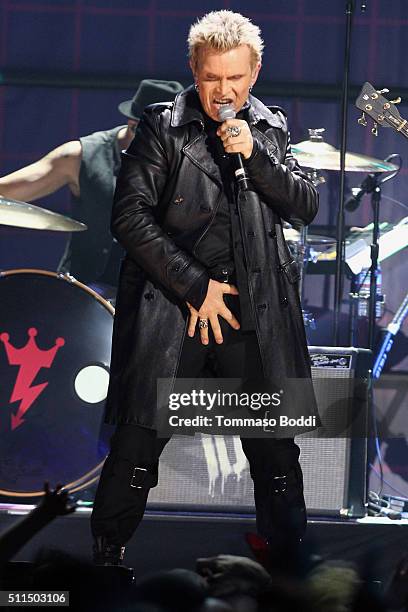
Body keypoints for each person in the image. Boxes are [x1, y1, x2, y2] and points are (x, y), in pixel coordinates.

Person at [91, 10, 319, 565]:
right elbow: (130, 217)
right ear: (194, 70)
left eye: (235, 78)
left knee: (274, 451)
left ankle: (288, 568)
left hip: (252, 315)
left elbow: (305, 204)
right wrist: (197, 287)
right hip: (177, 310)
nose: (223, 91)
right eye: (212, 77)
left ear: (255, 72)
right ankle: (107, 564)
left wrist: (254, 156)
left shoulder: (269, 129)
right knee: (138, 445)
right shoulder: (161, 126)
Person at [0, 79, 184, 293]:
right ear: (131, 122)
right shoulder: (80, 156)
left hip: (153, 297)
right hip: (83, 295)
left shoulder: (188, 161)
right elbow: (8, 192)